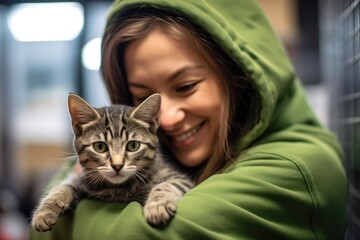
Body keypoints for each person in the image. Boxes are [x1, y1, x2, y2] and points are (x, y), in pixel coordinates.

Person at [31, 0, 347, 239]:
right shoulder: (176, 148)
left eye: (185, 86)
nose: (165, 120)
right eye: (141, 98)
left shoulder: (297, 169)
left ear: (238, 74)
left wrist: (71, 215)